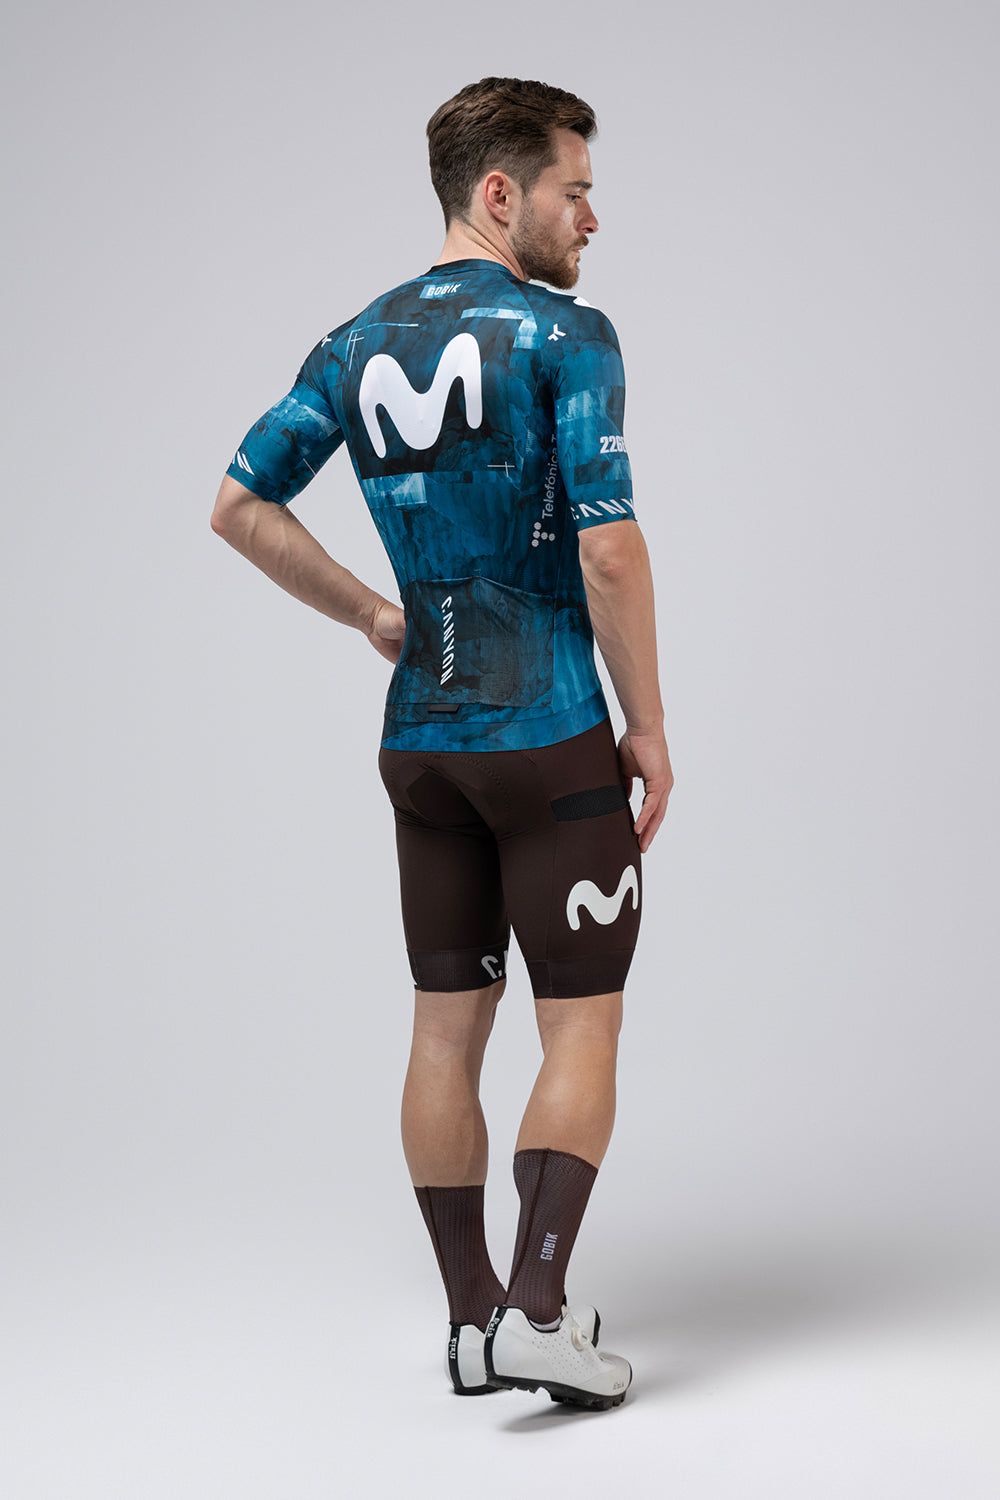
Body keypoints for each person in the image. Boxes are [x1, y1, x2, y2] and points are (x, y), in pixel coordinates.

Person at [211, 76, 672, 1411]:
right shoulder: (566, 335)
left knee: (443, 1031)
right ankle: (539, 1311)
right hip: (548, 737)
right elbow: (610, 548)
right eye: (575, 190)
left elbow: (238, 504)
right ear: (500, 193)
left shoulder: (353, 343)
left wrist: (375, 613)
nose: (592, 218)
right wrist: (647, 724)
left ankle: (473, 1324)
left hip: (421, 742)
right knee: (580, 1028)